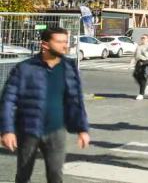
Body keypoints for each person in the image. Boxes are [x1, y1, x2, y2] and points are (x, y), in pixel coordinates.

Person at [1, 27, 90, 183]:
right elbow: (8, 100)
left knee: (56, 175)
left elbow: (75, 100)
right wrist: (7, 130)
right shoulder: (25, 68)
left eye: (65, 41)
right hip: (28, 130)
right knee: (23, 175)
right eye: (59, 42)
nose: (65, 46)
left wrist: (82, 129)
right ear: (45, 45)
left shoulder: (69, 67)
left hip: (56, 131)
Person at [130, 34, 148, 100]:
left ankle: (141, 94)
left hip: (146, 63)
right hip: (139, 63)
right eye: (142, 38)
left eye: (144, 38)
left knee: (143, 78)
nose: (142, 39)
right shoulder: (139, 46)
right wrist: (131, 62)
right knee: (135, 75)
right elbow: (135, 55)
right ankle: (144, 87)